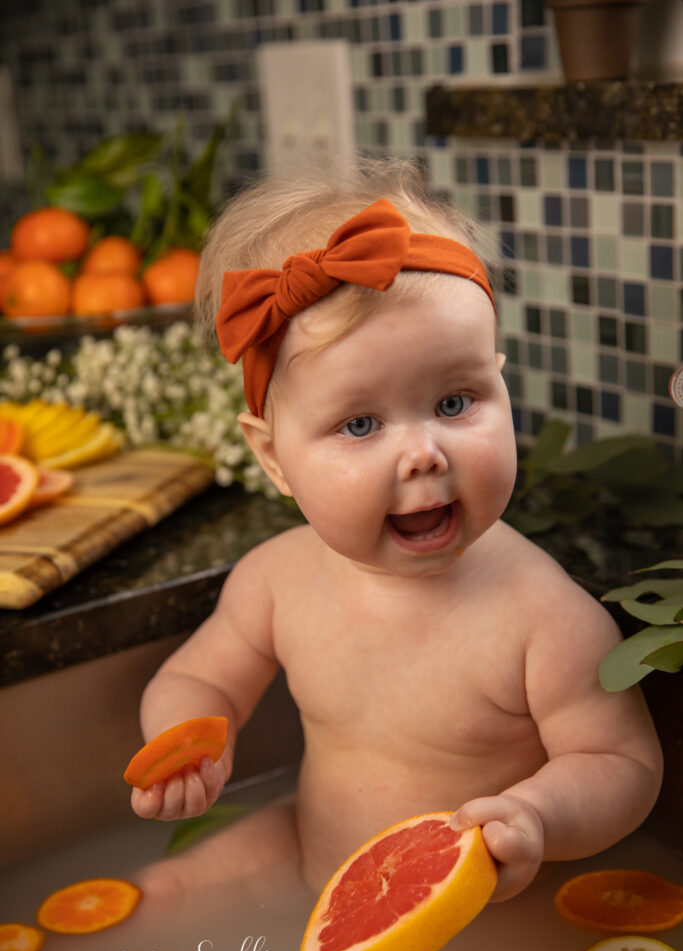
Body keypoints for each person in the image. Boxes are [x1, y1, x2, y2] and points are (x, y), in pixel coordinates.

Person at [132, 158, 662, 903]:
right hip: (314, 859)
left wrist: (536, 817)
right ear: (273, 455)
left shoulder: (542, 617)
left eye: (454, 401)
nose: (422, 453)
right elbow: (199, 678)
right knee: (160, 894)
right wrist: (187, 740)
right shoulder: (274, 582)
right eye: (359, 423)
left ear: (501, 385)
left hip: (470, 911)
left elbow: (622, 765)